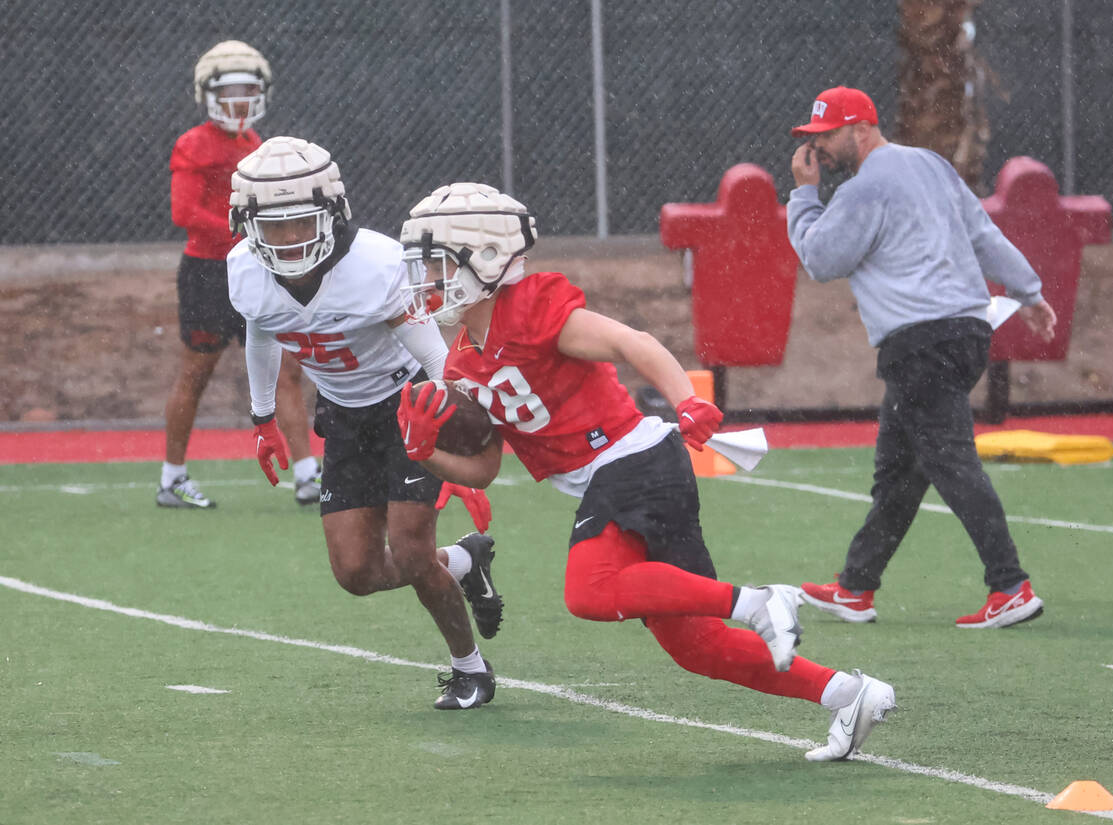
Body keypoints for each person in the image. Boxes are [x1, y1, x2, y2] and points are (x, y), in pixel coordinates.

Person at [393, 182, 895, 761]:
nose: (424, 279)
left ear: (484, 258)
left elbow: (634, 343)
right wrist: (424, 452)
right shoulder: (463, 358)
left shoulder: (531, 309)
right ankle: (851, 694)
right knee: (699, 647)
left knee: (589, 590)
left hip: (633, 459)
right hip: (622, 476)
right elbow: (483, 468)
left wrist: (688, 400)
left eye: (435, 263)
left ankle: (756, 601)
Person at [226, 137, 502, 709]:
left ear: (333, 214)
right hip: (344, 418)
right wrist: (263, 418)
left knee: (410, 551)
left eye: (302, 224)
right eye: (273, 228)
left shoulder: (376, 264)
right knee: (355, 572)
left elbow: (435, 361)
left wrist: (451, 448)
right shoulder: (244, 272)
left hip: (409, 408)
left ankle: (469, 668)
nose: (288, 240)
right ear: (246, 225)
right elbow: (260, 331)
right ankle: (466, 560)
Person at [786, 86, 1057, 629]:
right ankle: (855, 587)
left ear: (861, 128)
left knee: (951, 463)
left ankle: (1010, 585)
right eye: (811, 139)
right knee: (900, 474)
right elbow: (982, 232)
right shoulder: (929, 164)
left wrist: (804, 196)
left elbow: (820, 259)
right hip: (965, 334)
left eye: (826, 136)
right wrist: (1028, 290)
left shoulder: (862, 190)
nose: (818, 149)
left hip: (920, 344)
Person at [160, 40, 318, 509]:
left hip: (254, 271)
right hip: (209, 273)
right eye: (230, 91)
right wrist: (242, 235)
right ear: (208, 94)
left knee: (285, 370)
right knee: (196, 373)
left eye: (249, 90)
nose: (239, 100)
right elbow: (184, 210)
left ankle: (308, 473)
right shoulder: (193, 143)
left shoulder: (255, 144)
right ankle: (171, 477)